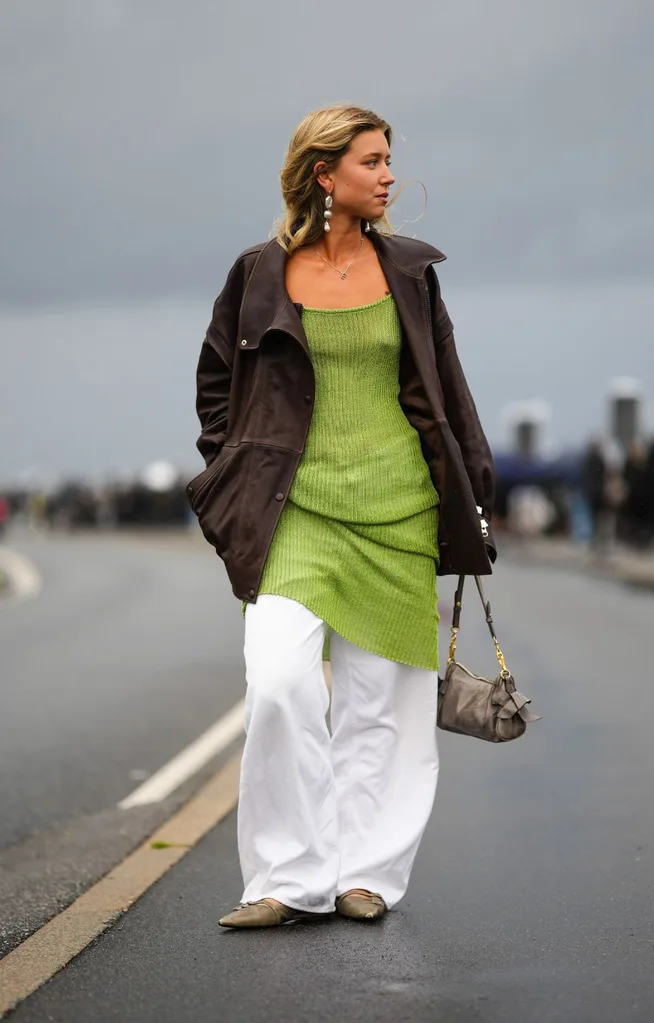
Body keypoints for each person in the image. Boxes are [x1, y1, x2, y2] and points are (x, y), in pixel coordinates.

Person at [188, 105, 496, 929]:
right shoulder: (257, 273)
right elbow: (217, 378)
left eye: (390, 159)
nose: (389, 173)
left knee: (385, 706)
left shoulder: (411, 273)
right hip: (296, 510)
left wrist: (473, 483)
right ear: (326, 174)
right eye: (372, 160)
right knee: (281, 680)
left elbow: (446, 388)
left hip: (397, 506)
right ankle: (288, 876)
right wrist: (230, 466)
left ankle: (368, 874)